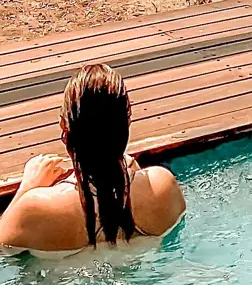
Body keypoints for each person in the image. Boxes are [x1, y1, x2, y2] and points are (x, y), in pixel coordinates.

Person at [0, 62, 186, 253]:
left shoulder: (35, 209)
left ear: (64, 126)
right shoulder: (164, 186)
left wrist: (27, 187)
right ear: (127, 122)